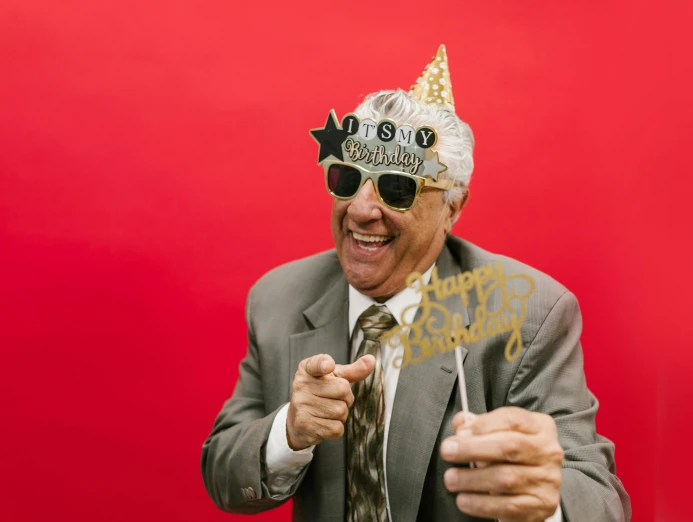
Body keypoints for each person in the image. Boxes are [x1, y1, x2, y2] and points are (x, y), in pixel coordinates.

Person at [201, 45, 631, 522]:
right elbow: (224, 474)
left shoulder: (529, 314)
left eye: (397, 187)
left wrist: (542, 500)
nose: (362, 210)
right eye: (348, 179)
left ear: (452, 207)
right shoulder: (279, 298)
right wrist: (290, 430)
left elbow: (599, 498)